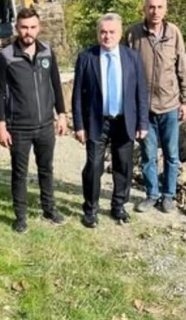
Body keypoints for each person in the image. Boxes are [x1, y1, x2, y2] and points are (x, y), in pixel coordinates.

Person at [0, 7, 68, 233]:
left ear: (39, 27)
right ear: (17, 28)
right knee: (20, 173)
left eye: (33, 27)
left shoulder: (47, 53)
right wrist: (1, 126)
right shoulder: (5, 57)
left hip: (45, 125)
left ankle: (49, 209)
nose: (28, 32)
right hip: (18, 127)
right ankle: (21, 217)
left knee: (46, 169)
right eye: (24, 27)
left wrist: (61, 115)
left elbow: (56, 85)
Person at [72, 13, 149, 228]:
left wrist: (142, 122)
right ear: (98, 34)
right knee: (93, 166)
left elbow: (141, 92)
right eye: (103, 32)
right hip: (97, 122)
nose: (107, 36)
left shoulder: (132, 57)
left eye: (112, 32)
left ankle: (118, 206)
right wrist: (79, 125)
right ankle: (90, 210)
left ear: (120, 33)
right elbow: (77, 95)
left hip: (124, 122)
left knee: (123, 166)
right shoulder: (87, 57)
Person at [126, 0, 186, 214]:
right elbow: (126, 71)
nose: (155, 11)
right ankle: (151, 194)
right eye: (151, 7)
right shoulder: (133, 34)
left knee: (172, 155)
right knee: (148, 155)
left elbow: (183, 68)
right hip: (144, 109)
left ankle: (168, 196)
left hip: (170, 106)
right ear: (144, 9)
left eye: (159, 7)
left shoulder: (174, 33)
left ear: (165, 9)